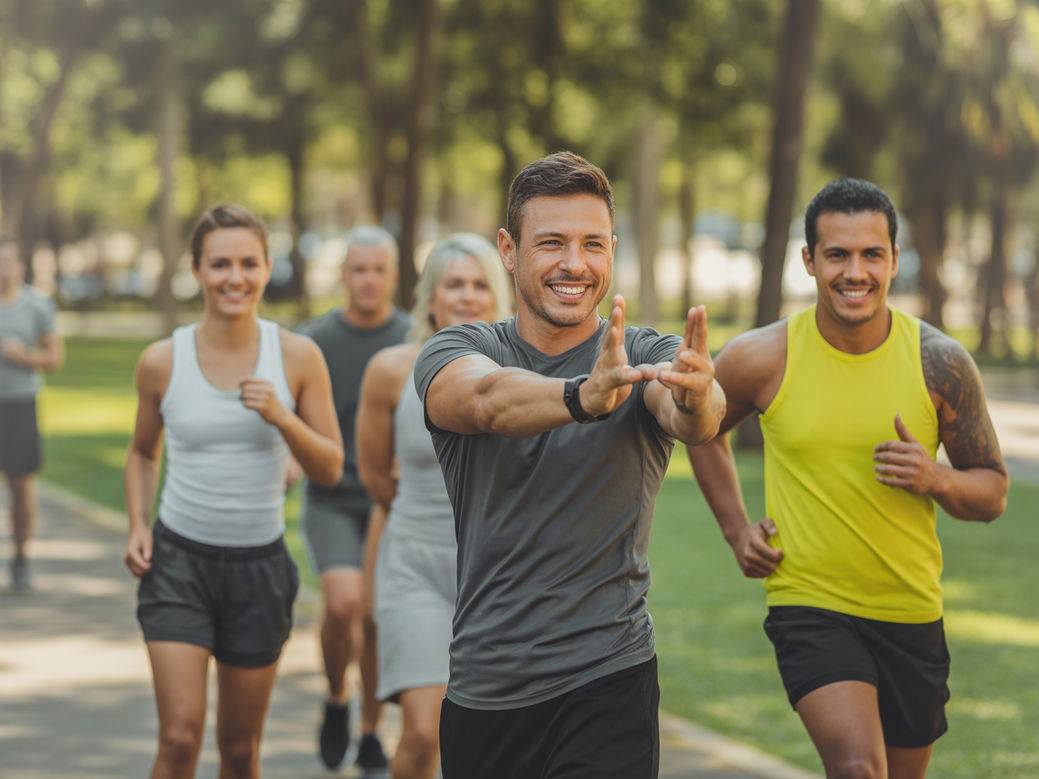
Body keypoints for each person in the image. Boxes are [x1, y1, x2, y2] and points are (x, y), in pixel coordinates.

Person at [414, 151, 725, 779]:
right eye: (551, 243)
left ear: (612, 250)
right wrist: (585, 396)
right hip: (486, 687)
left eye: (592, 244)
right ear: (508, 249)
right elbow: (483, 401)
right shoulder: (459, 348)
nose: (574, 264)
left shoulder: (643, 353)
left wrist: (695, 395)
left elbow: (690, 414)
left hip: (609, 677)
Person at [687, 179, 1009, 779]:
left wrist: (934, 477)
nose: (854, 271)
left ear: (892, 259)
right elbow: (700, 428)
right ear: (809, 260)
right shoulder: (762, 357)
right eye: (837, 254)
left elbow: (992, 492)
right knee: (859, 767)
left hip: (911, 610)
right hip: (809, 603)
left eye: (871, 254)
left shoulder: (939, 363)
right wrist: (736, 529)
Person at [123, 204, 344, 779]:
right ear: (196, 270)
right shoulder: (161, 362)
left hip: (258, 571)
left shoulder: (297, 358)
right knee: (178, 738)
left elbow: (329, 466)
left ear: (268, 268)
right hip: (178, 566)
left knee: (240, 750)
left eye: (248, 263)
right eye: (220, 264)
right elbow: (143, 454)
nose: (234, 278)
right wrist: (137, 524)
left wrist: (282, 417)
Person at [356, 233, 512, 779]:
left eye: (479, 285)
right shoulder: (391, 369)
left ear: (498, 293)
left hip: (496, 575)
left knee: (479, 747)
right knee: (424, 737)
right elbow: (374, 472)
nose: (468, 296)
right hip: (415, 566)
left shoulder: (523, 373)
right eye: (454, 284)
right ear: (431, 295)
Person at [296, 225, 410, 772]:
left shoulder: (417, 337)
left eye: (378, 269)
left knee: (375, 617)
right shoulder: (313, 339)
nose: (368, 280)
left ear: (393, 275)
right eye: (358, 269)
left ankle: (370, 732)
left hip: (391, 500)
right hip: (334, 497)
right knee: (343, 604)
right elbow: (293, 421)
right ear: (344, 275)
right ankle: (336, 698)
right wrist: (293, 461)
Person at [0, 237, 63, 591]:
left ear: (20, 266)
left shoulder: (37, 306)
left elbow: (55, 359)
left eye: (8, 262)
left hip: (21, 405)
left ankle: (21, 558)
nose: (3, 269)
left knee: (20, 487)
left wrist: (24, 357)